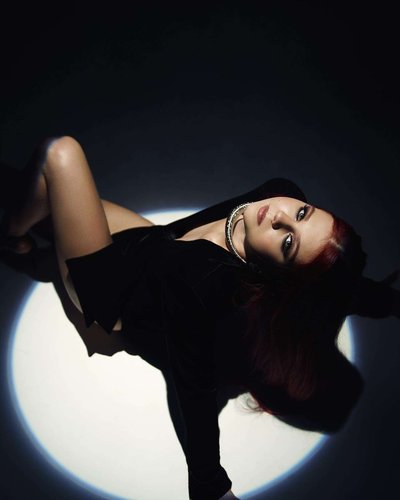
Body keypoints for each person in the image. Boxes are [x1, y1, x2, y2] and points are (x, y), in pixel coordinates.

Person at [0, 136, 398, 500]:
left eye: (288, 242)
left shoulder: (203, 283)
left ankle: (11, 233)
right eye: (303, 212)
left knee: (60, 155)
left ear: (277, 276)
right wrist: (388, 301)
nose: (279, 216)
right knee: (38, 191)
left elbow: (193, 386)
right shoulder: (280, 196)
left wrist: (210, 483)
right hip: (148, 242)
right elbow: (328, 288)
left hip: (106, 291)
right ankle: (18, 227)